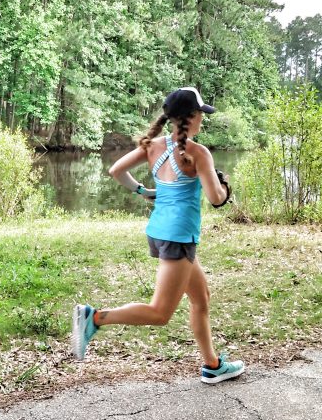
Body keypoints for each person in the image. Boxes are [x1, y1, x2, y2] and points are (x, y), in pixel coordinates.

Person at [71, 87, 245, 384]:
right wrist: (224, 184)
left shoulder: (154, 147)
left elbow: (116, 170)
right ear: (191, 117)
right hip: (178, 237)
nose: (203, 118)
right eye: (201, 113)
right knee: (160, 313)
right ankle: (95, 317)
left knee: (200, 298)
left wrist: (143, 191)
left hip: (161, 232)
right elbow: (216, 198)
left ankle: (212, 365)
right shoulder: (198, 153)